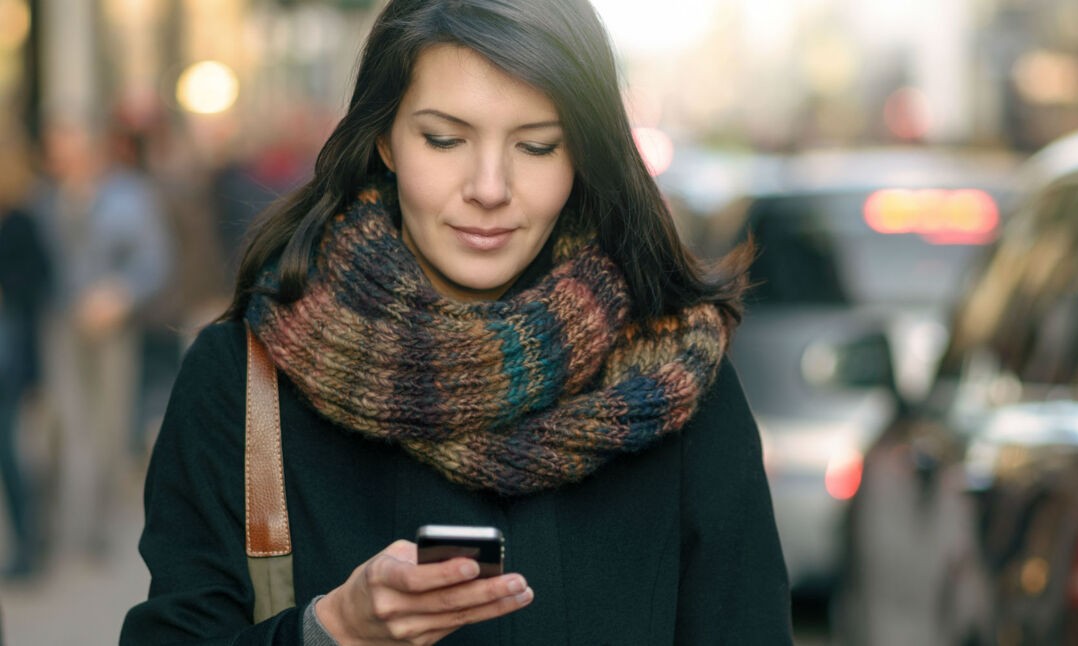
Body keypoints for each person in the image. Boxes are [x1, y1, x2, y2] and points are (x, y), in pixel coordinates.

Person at [121, 0, 793, 643]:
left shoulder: (673, 376)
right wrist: (332, 634)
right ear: (384, 138)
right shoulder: (242, 381)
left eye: (536, 147)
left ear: (583, 155)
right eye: (444, 139)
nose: (490, 187)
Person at [35, 117, 171, 558]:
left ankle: (98, 523)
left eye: (69, 144)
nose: (62, 156)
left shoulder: (128, 194)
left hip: (112, 327)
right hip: (59, 322)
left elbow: (155, 260)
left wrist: (120, 295)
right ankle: (68, 522)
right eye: (56, 148)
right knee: (70, 423)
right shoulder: (43, 198)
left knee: (109, 424)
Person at [0, 122, 53, 580]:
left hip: (8, 345)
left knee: (8, 448)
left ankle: (28, 545)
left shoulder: (21, 218)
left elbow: (37, 283)